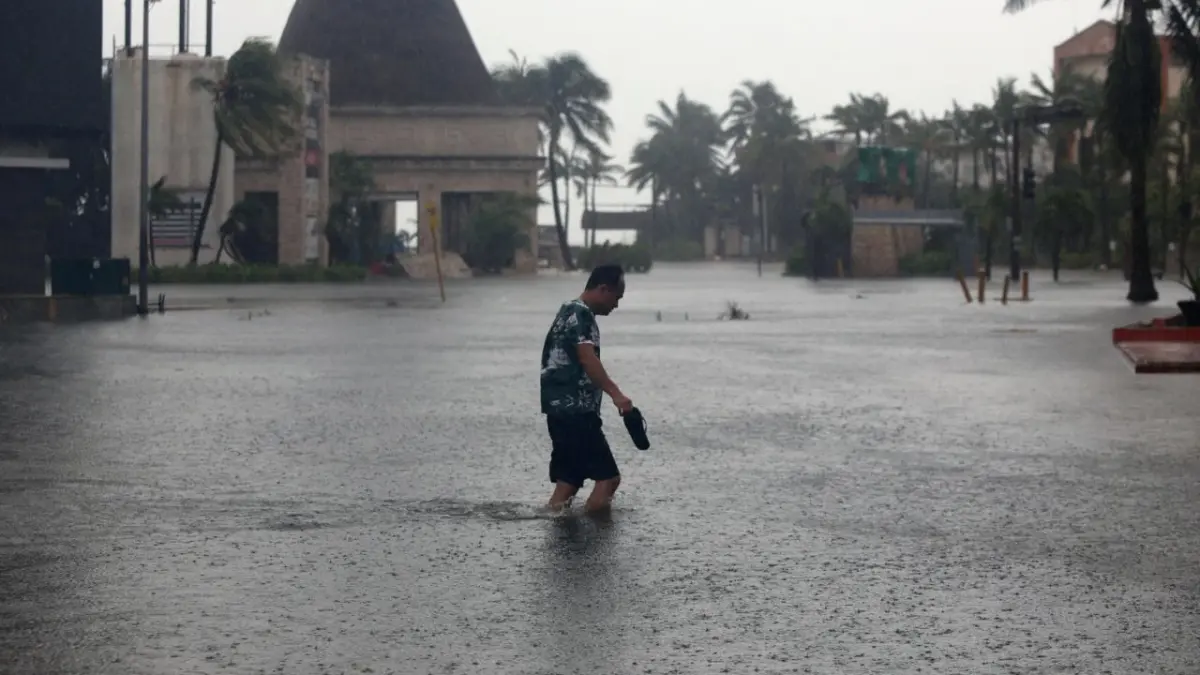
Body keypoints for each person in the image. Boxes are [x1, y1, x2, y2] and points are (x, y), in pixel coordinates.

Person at [539, 264, 632, 513]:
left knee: (569, 481)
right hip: (576, 412)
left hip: (558, 411)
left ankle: (559, 530)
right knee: (608, 479)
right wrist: (617, 395)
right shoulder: (582, 315)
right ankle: (595, 535)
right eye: (616, 297)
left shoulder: (567, 310)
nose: (616, 305)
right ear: (603, 289)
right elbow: (587, 358)